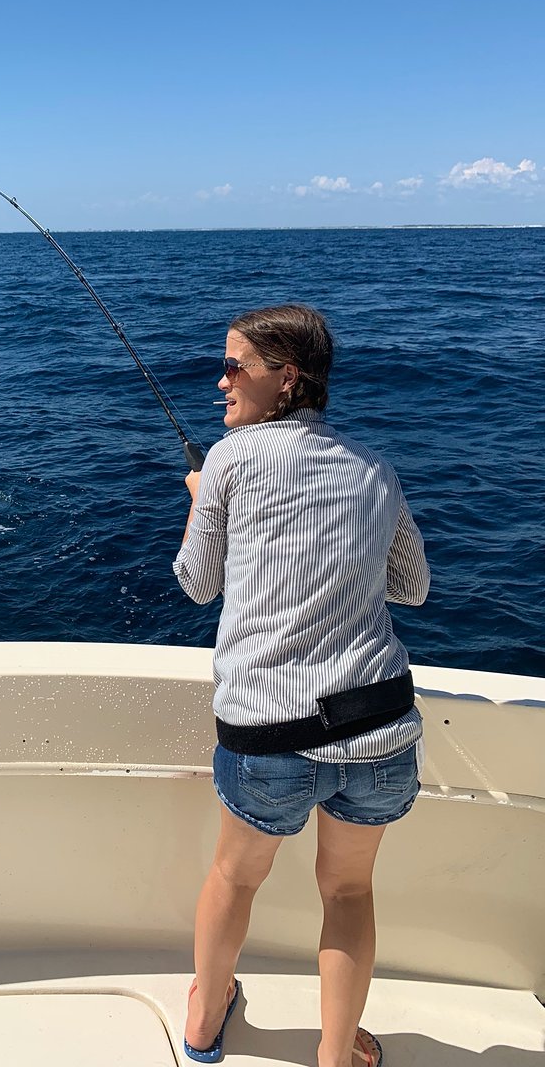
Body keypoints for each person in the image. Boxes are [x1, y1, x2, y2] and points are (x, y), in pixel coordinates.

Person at [173, 304, 429, 1067]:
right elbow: (412, 587)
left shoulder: (228, 458)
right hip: (380, 726)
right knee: (348, 894)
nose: (219, 380)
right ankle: (334, 1053)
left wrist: (199, 502)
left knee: (234, 878)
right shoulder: (374, 468)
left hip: (269, 739)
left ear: (287, 379)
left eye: (233, 365)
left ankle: (204, 1022)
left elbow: (196, 583)